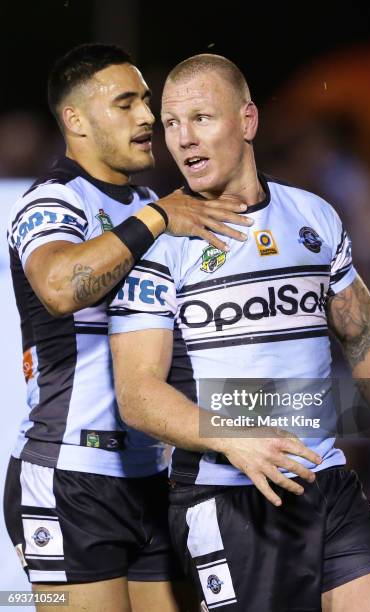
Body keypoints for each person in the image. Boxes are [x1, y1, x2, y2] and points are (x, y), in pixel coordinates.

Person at [109, 55, 370, 612]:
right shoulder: (156, 245)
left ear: (248, 121)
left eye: (201, 118)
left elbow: (364, 337)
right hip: (227, 496)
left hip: (327, 485)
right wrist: (232, 438)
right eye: (170, 124)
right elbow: (137, 394)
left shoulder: (312, 216)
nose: (183, 138)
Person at [3, 43, 264, 612]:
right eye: (126, 104)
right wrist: (155, 219)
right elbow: (56, 287)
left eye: (146, 102)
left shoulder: (154, 201)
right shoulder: (53, 201)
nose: (148, 118)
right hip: (71, 474)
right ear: (76, 120)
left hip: (155, 476)